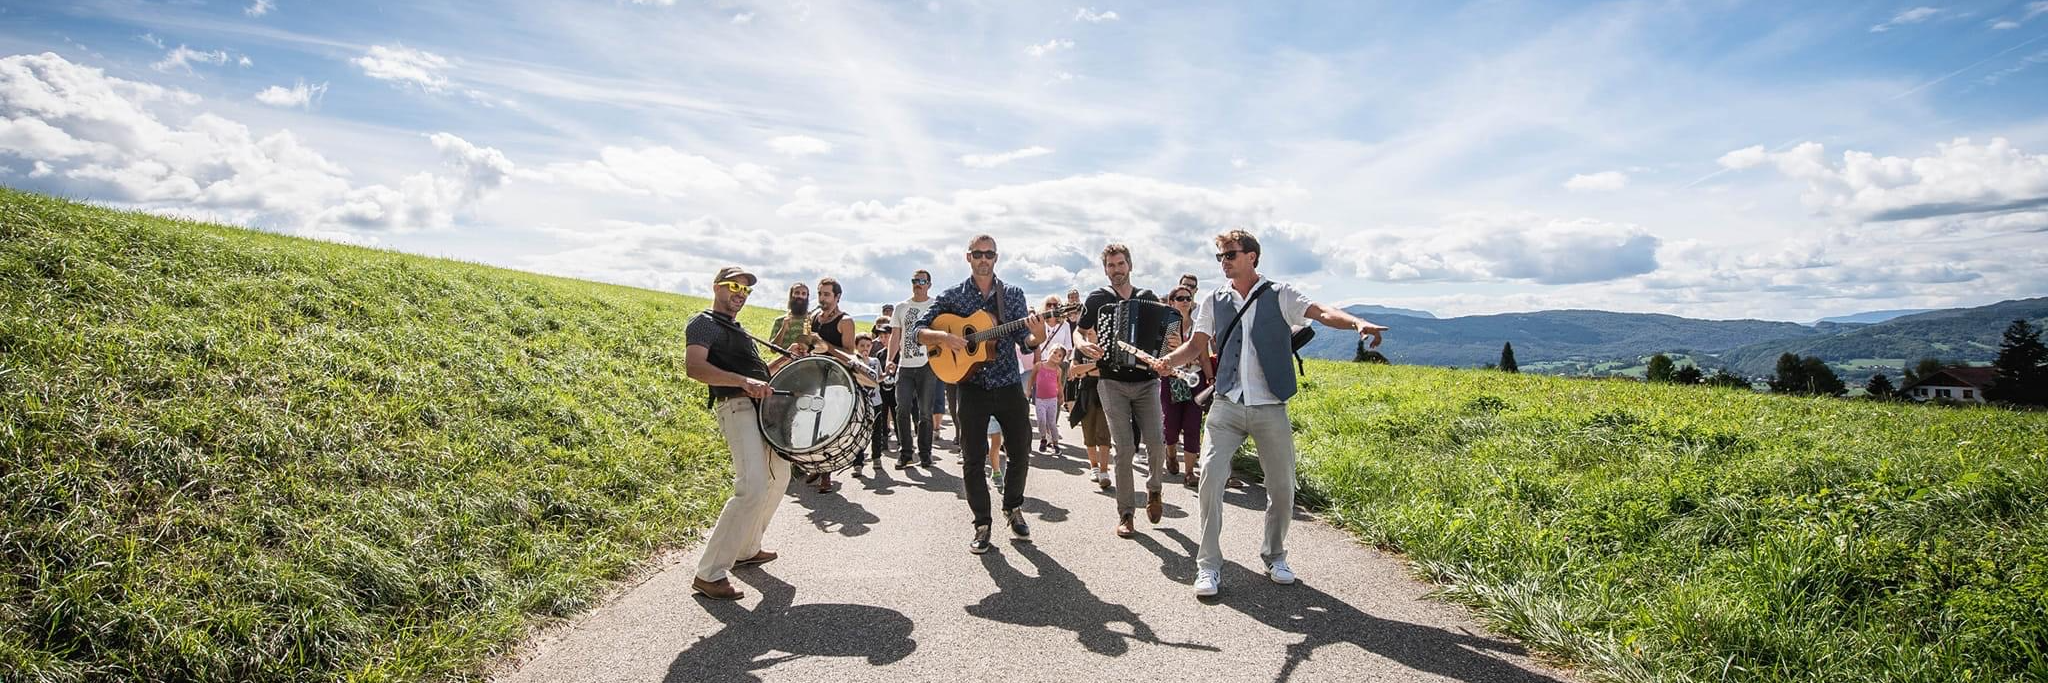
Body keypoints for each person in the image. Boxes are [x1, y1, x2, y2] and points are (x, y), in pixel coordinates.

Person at [1151, 229, 1389, 598]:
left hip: (1270, 405)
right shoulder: (1214, 300)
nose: (1224, 262)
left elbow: (1322, 312)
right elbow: (1197, 345)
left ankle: (1274, 554)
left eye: (1230, 254)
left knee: (1281, 486)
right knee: (1211, 479)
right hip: (1227, 405)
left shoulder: (1281, 294)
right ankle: (1209, 565)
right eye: (1221, 257)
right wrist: (1168, 360)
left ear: (1252, 257)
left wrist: (1357, 322)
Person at [914, 235, 1048, 554]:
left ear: (996, 258)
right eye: (978, 253)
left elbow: (1023, 339)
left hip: (1006, 383)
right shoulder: (953, 296)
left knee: (1020, 450)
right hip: (970, 386)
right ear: (968, 257)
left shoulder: (1011, 294)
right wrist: (944, 337)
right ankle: (982, 523)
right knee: (972, 459)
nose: (983, 258)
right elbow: (919, 330)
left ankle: (1012, 507)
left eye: (989, 254)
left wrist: (1038, 334)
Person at [684, 265, 808, 601]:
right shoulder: (703, 323)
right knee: (751, 486)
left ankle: (746, 548)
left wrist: (784, 363)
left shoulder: (739, 331)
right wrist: (742, 381)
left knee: (779, 476)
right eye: (733, 287)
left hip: (761, 410)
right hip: (736, 408)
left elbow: (759, 375)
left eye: (745, 290)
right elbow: (694, 367)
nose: (739, 294)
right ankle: (709, 573)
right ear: (716, 287)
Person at [1074, 244, 1170, 539]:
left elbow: (1164, 336)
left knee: (1156, 442)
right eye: (1111, 266)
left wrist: (1168, 344)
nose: (1116, 270)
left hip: (1146, 381)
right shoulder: (1098, 299)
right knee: (1124, 449)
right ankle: (1126, 513)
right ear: (1105, 270)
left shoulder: (1148, 298)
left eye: (1120, 264)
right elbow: (1080, 330)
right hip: (1111, 381)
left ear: (1129, 265)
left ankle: (1154, 490)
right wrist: (1082, 344)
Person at [802, 277, 857, 494]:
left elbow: (850, 355)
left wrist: (826, 347)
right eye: (820, 294)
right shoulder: (814, 317)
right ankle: (814, 464)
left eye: (826, 295)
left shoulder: (846, 321)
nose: (822, 299)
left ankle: (826, 475)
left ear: (837, 297)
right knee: (809, 423)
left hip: (835, 379)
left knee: (826, 426)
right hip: (813, 376)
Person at [1160, 284, 1211, 487]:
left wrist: (1210, 379)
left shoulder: (1200, 327)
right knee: (1171, 426)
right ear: (1171, 302)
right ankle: (1171, 454)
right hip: (1172, 379)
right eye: (1180, 298)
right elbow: (1161, 356)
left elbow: (1205, 357)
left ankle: (1190, 472)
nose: (1185, 301)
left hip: (1195, 380)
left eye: (1188, 298)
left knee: (1192, 425)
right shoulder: (1166, 327)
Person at [887, 270, 939, 468]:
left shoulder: (935, 306)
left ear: (929, 284)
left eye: (922, 281)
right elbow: (895, 336)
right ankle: (906, 453)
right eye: (915, 281)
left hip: (928, 365)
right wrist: (889, 360)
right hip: (905, 367)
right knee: (902, 410)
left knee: (925, 412)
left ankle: (925, 454)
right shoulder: (901, 307)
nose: (918, 284)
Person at [851, 333, 889, 478]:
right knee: (859, 433)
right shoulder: (853, 362)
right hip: (860, 402)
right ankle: (858, 463)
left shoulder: (875, 361)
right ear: (856, 347)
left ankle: (877, 457)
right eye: (862, 346)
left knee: (876, 431)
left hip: (876, 401)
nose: (865, 348)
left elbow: (878, 379)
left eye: (868, 346)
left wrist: (886, 374)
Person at [1032, 346, 1068, 453]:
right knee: (1041, 420)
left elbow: (1059, 384)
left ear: (1062, 359)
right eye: (1054, 352)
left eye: (1059, 355)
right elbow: (1032, 378)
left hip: (1052, 399)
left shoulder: (1058, 370)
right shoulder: (1039, 366)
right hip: (1040, 399)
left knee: (1052, 422)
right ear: (1049, 352)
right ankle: (1043, 438)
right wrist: (1028, 390)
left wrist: (1061, 396)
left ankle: (1055, 443)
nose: (1056, 356)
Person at [768, 282, 811, 351]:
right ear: (791, 296)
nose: (800, 296)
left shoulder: (812, 320)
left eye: (803, 294)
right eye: (797, 293)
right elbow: (773, 350)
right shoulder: (780, 321)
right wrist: (783, 328)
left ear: (807, 297)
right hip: (785, 361)